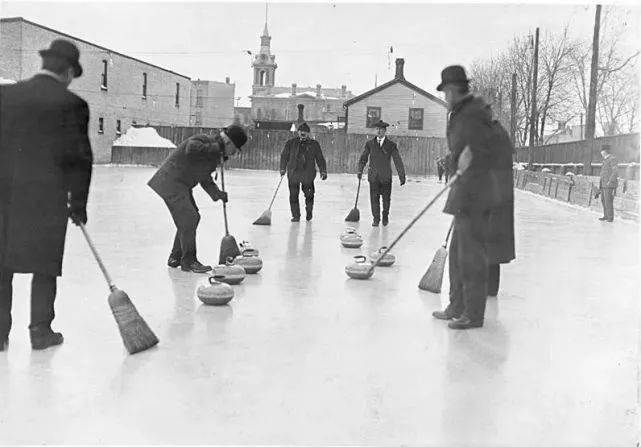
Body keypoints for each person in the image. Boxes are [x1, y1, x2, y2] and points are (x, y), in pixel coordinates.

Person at [0, 39, 93, 351]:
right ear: (68, 72)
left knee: (1, 264)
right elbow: (80, 160)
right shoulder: (73, 106)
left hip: (5, 196)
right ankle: (40, 331)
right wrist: (78, 203)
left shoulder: (6, 95)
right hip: (47, 198)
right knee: (45, 266)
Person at [431, 65, 501, 330]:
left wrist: (470, 160)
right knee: (458, 255)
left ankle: (473, 314)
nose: (445, 98)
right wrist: (454, 164)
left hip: (477, 194)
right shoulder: (460, 113)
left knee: (471, 257)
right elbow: (460, 150)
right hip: (464, 192)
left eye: (447, 92)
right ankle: (456, 306)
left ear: (455, 90)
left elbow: (484, 148)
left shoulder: (475, 112)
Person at [148, 127, 247, 273]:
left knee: (191, 217)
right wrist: (216, 148)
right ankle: (189, 261)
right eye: (235, 148)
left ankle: (176, 256)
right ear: (228, 141)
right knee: (189, 218)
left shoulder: (214, 154)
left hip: (180, 184)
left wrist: (217, 194)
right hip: (171, 181)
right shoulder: (206, 141)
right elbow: (191, 148)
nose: (234, 153)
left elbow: (204, 177)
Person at [485, 114, 516, 297]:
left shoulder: (490, 140)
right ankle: (490, 288)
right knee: (492, 250)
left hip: (490, 203)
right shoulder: (499, 137)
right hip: (500, 205)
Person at [357, 120, 406, 226]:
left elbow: (397, 160)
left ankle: (385, 217)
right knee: (374, 199)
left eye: (381, 130)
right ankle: (376, 219)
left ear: (385, 131)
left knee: (386, 199)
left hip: (386, 177)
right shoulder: (370, 144)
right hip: (373, 176)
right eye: (377, 129)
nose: (379, 132)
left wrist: (402, 175)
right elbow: (363, 158)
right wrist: (360, 170)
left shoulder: (391, 145)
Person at [280, 122, 327, 222]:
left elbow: (320, 158)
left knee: (309, 195)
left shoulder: (314, 144)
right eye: (301, 131)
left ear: (308, 133)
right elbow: (284, 156)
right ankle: (296, 215)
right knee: (293, 195)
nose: (303, 133)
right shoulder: (291, 143)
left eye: (305, 131)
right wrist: (282, 168)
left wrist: (323, 171)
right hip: (293, 173)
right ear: (298, 132)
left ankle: (309, 212)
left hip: (307, 174)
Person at [596, 145, 618, 222]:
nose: (601, 152)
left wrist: (610, 181)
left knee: (608, 200)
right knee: (603, 200)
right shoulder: (605, 160)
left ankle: (610, 217)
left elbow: (615, 171)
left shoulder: (612, 159)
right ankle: (606, 216)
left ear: (605, 151)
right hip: (603, 184)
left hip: (608, 184)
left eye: (602, 151)